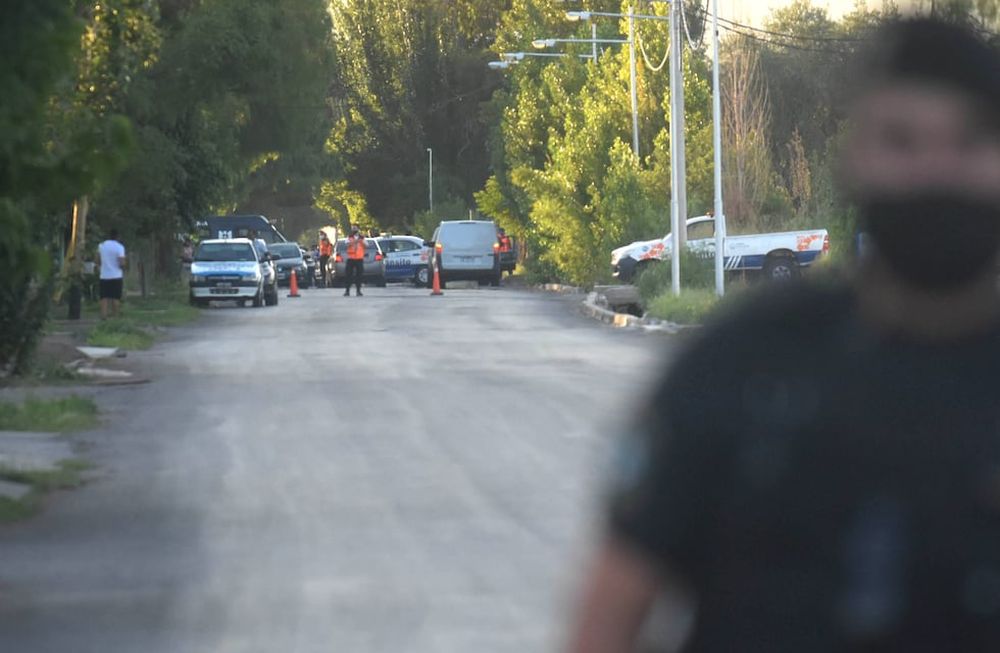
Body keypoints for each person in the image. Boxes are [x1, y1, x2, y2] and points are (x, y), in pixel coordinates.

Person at [566, 18, 1000, 653]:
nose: (934, 170)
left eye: (967, 141)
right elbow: (612, 607)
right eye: (902, 141)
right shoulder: (747, 362)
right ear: (857, 159)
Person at [96, 229, 126, 319]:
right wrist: (124, 267)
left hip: (104, 276)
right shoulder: (119, 247)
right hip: (116, 276)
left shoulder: (101, 246)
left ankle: (103, 316)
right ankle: (115, 316)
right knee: (115, 297)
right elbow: (121, 262)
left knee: (104, 297)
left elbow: (97, 260)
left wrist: (103, 265)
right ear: (118, 237)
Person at [344, 225, 366, 297]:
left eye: (355, 228)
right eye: (352, 228)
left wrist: (361, 241)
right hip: (351, 258)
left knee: (359, 275)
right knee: (348, 275)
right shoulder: (349, 237)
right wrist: (354, 242)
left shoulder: (362, 238)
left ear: (358, 229)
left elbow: (366, 245)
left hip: (359, 259)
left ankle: (358, 291)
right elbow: (346, 244)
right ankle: (347, 291)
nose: (353, 230)